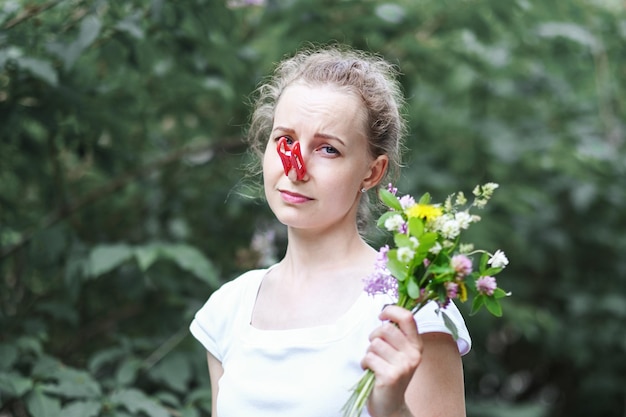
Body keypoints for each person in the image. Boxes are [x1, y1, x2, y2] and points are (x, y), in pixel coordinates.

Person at [189, 44, 471, 417]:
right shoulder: (227, 311)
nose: (296, 169)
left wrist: (393, 411)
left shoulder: (409, 306)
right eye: (285, 140)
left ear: (372, 172)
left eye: (328, 150)